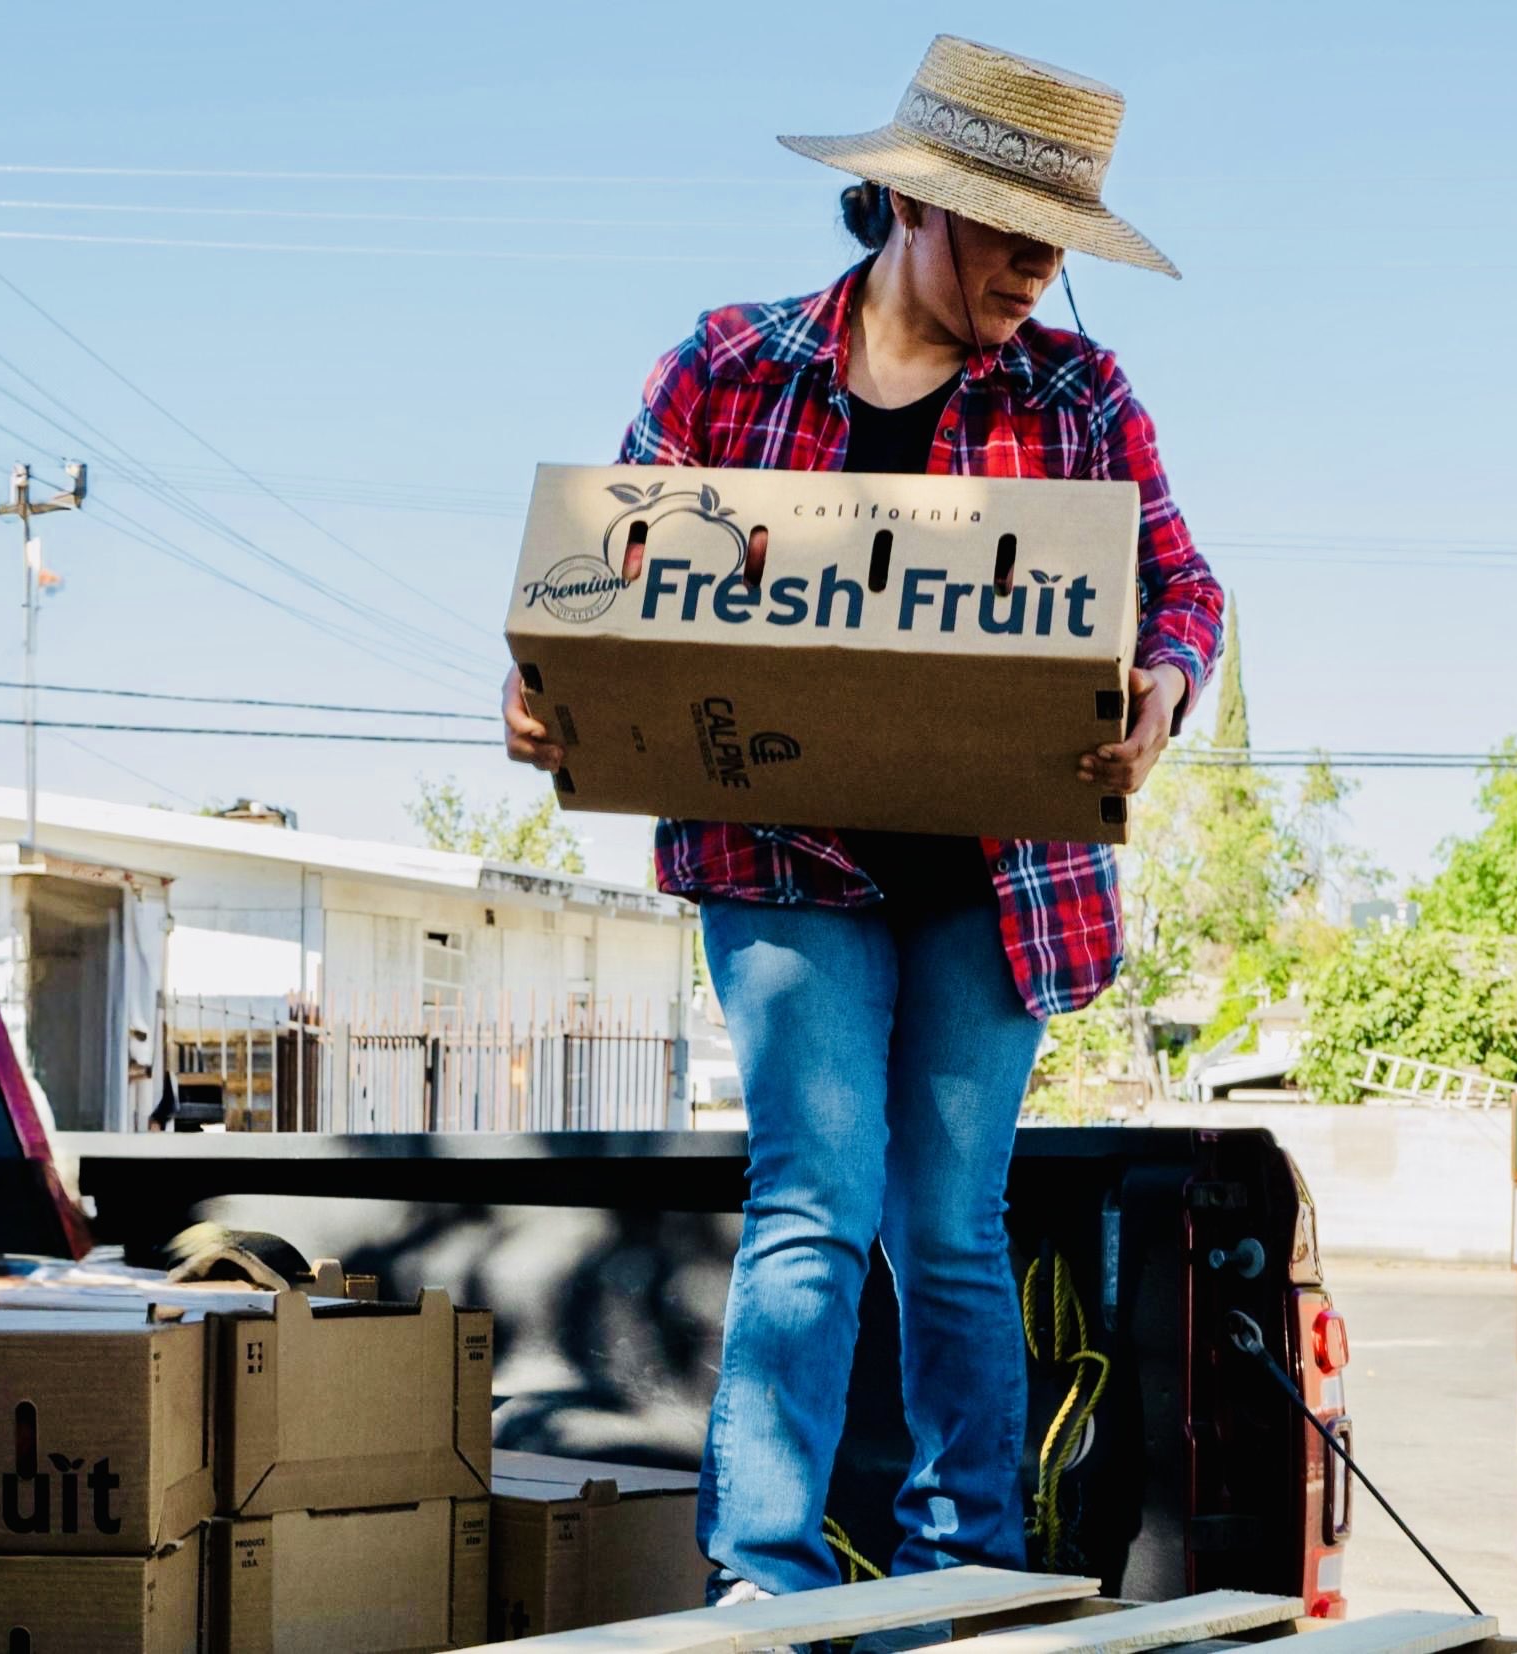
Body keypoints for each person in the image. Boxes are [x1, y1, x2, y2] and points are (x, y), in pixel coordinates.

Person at [503, 33, 1223, 1605]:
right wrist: (546, 685)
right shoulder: (725, 366)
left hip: (1000, 871)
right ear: (912, 205)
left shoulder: (1082, 394)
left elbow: (1184, 591)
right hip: (783, 858)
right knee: (814, 1196)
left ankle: (965, 1569)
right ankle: (762, 1575)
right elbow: (597, 584)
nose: (1038, 270)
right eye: (1013, 233)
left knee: (950, 1221)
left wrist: (1166, 685)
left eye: (1060, 244)